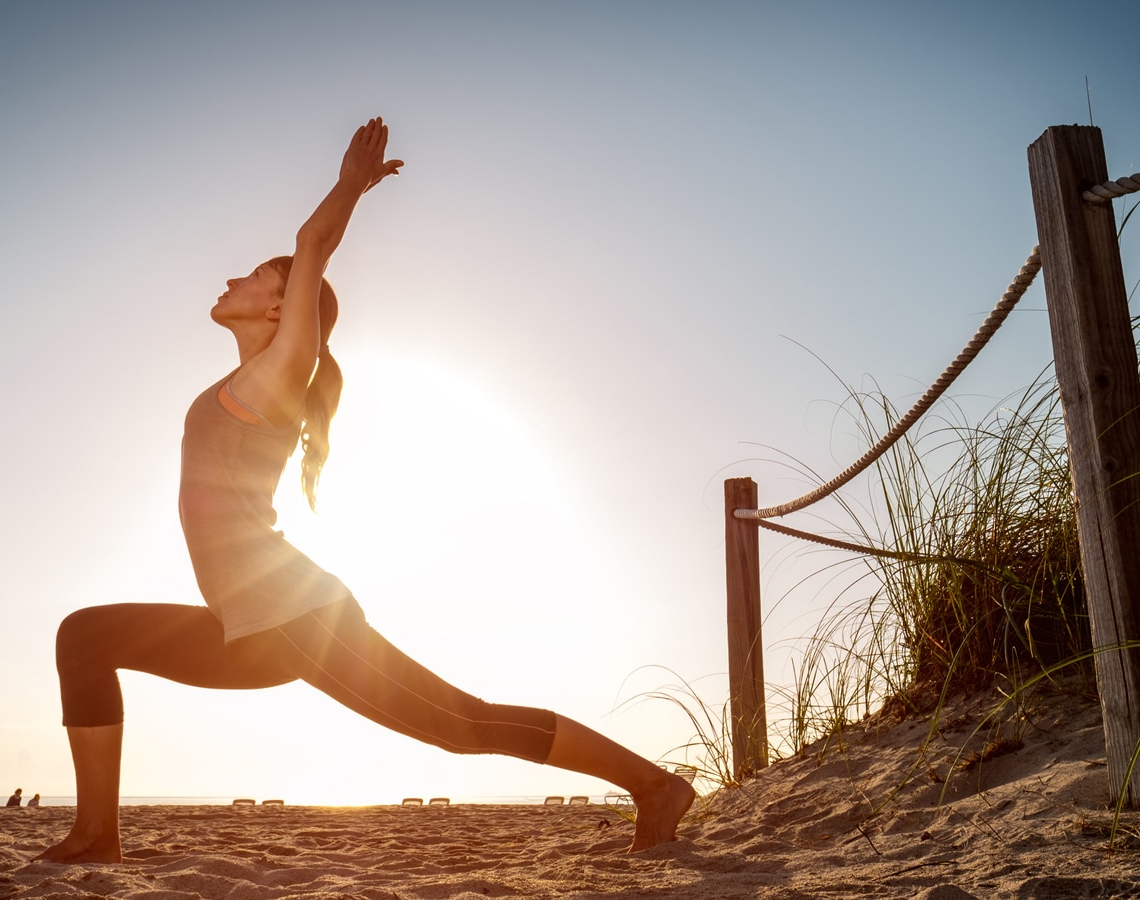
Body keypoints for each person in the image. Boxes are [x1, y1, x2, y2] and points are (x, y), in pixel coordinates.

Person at [34, 117, 694, 864]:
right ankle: (96, 835)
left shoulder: (282, 375)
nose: (232, 279)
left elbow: (311, 247)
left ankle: (653, 785)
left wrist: (349, 186)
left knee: (462, 725)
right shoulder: (241, 381)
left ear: (286, 312)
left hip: (298, 616)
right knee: (84, 637)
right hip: (246, 626)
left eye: (256, 276)